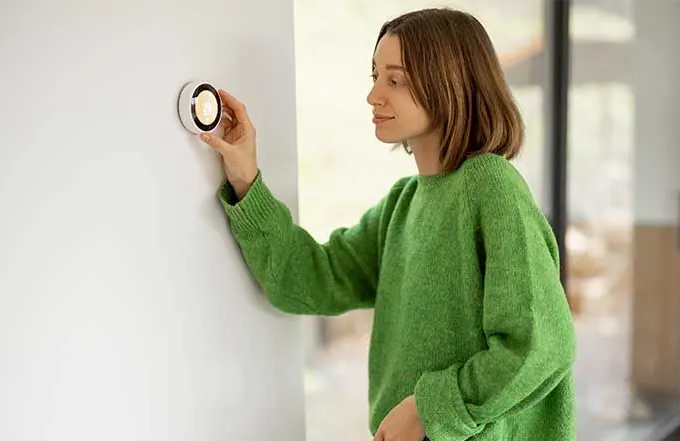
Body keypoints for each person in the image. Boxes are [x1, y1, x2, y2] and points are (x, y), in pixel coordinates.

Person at [200, 7, 576, 441]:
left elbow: (542, 346)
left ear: (449, 83)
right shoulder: (404, 202)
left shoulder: (491, 186)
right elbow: (309, 279)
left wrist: (427, 408)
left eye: (395, 80)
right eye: (375, 76)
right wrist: (246, 179)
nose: (373, 95)